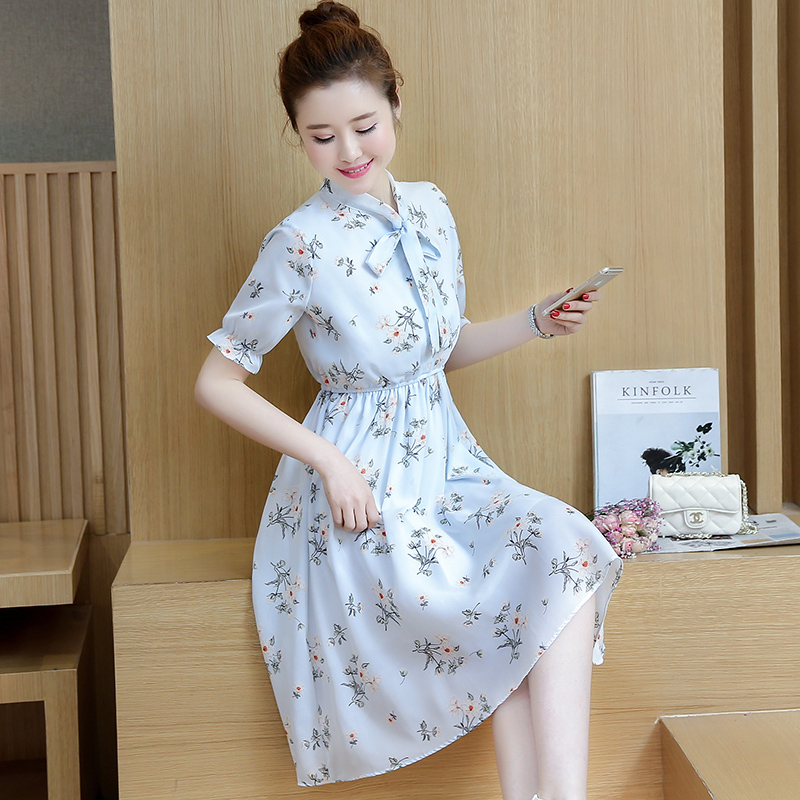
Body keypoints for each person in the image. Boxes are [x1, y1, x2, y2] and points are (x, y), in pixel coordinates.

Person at [195, 3, 622, 798]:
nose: (349, 152)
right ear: (297, 134)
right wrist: (330, 463)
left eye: (364, 126)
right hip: (359, 492)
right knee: (499, 597)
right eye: (322, 137)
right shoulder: (300, 243)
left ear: (396, 102)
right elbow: (216, 383)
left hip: (448, 466)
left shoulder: (431, 209)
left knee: (560, 547)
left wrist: (536, 322)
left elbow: (437, 352)